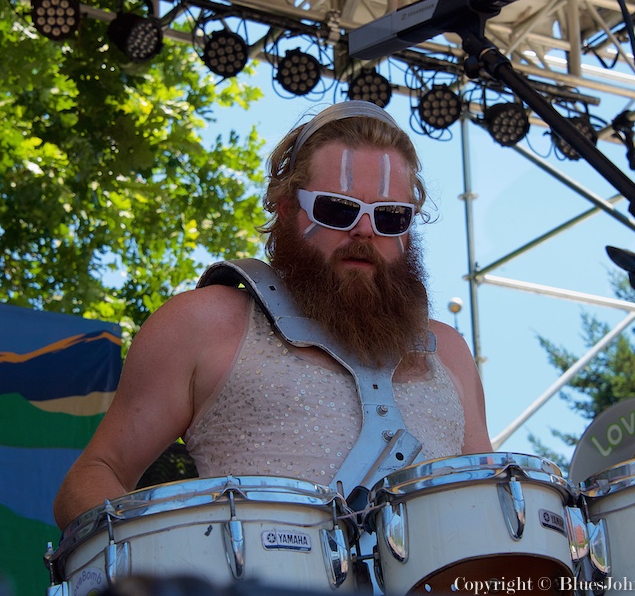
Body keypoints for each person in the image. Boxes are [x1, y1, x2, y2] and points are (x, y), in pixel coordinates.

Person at [53, 100, 492, 530]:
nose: (364, 230)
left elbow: (491, 510)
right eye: (337, 209)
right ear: (286, 209)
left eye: (390, 217)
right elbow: (92, 475)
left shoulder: (448, 352)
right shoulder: (204, 323)